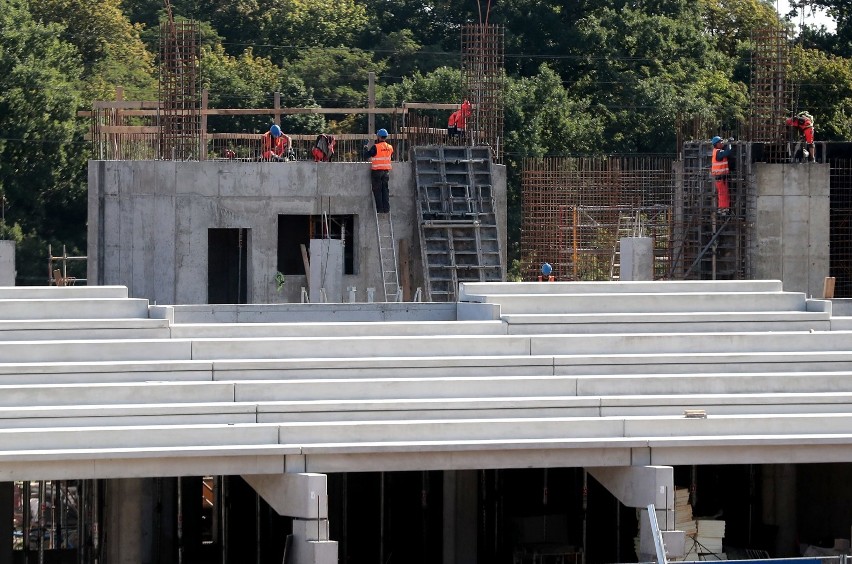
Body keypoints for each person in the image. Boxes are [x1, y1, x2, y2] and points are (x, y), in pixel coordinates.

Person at [365, 128, 393, 213]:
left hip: (377, 171)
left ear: (379, 137)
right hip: (386, 172)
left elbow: (367, 155)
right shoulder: (390, 147)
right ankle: (386, 209)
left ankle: (380, 209)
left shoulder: (376, 147)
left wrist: (365, 147)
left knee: (377, 191)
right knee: (385, 190)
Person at [710, 136, 734, 215]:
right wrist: (730, 143)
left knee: (724, 193)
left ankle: (724, 209)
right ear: (716, 144)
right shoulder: (718, 152)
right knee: (723, 193)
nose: (722, 143)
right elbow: (728, 152)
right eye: (720, 142)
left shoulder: (717, 151)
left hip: (722, 178)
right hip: (720, 178)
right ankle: (723, 209)